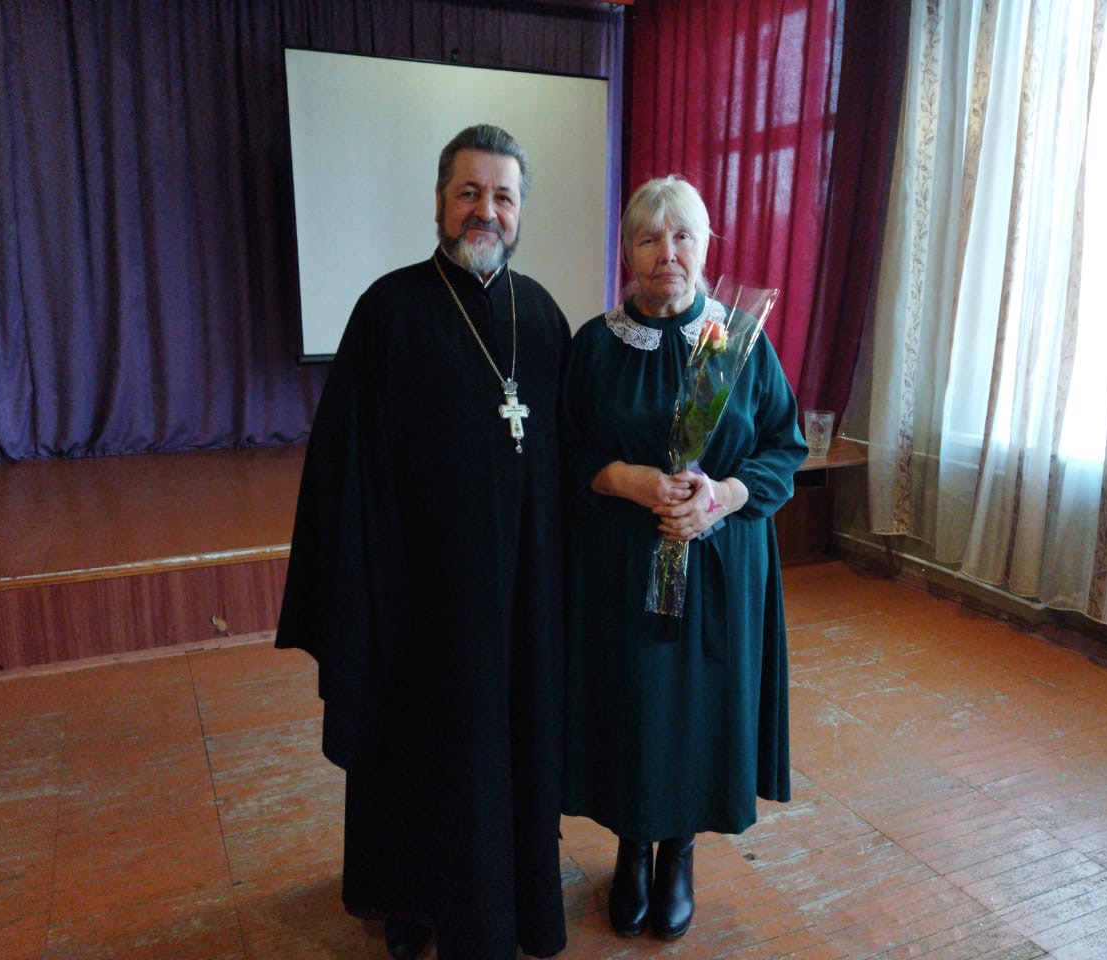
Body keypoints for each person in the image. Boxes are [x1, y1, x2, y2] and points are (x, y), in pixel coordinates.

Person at [276, 124, 569, 960]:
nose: (487, 211)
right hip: (420, 599)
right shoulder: (388, 311)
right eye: (469, 193)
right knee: (423, 752)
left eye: (503, 196)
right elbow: (344, 470)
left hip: (523, 596)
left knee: (511, 741)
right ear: (440, 203)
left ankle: (514, 894)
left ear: (521, 210)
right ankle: (413, 896)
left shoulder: (543, 317)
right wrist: (368, 590)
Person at [560, 175, 807, 940]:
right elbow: (565, 453)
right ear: (627, 252)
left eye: (683, 237)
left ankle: (681, 851)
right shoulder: (595, 345)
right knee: (634, 701)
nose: (666, 253)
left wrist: (721, 497)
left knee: (700, 705)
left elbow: (784, 448)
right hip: (621, 564)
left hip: (721, 567)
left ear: (706, 247)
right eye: (649, 238)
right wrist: (631, 481)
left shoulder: (739, 341)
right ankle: (634, 845)